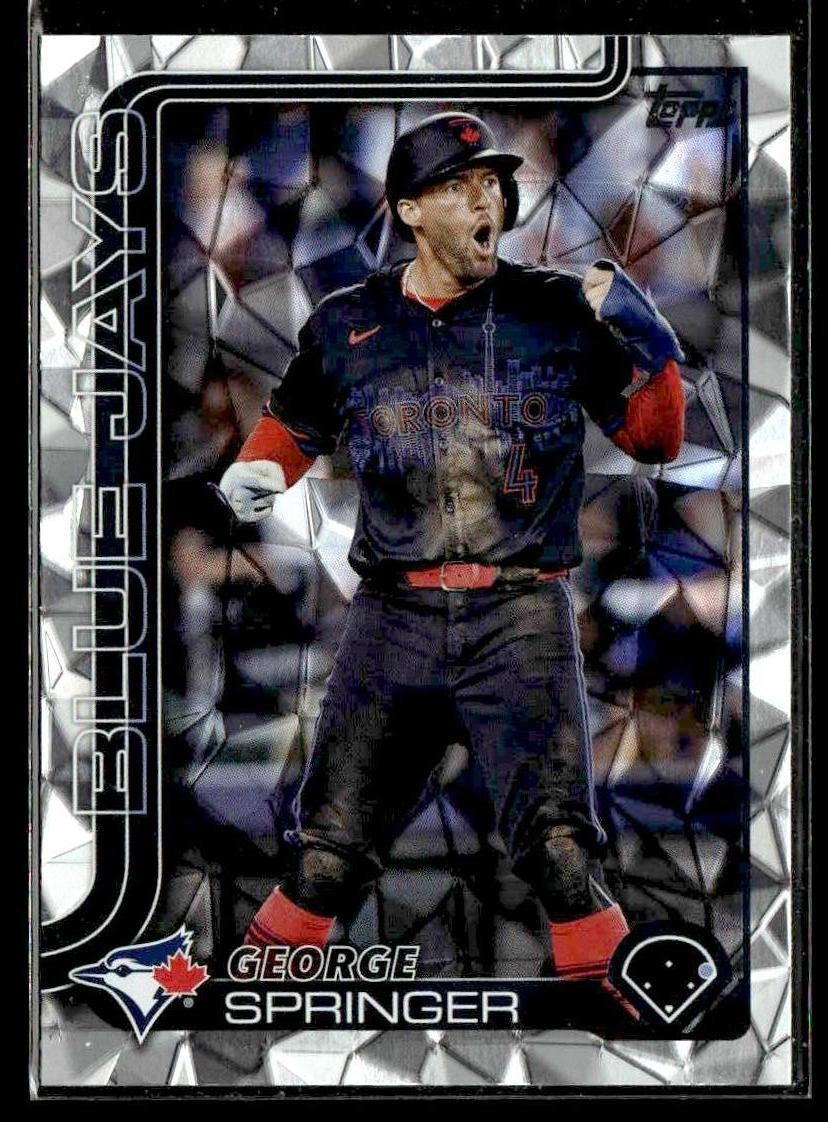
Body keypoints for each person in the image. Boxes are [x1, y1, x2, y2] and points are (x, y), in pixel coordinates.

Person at [219, 111, 685, 989]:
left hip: (521, 612)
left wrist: (651, 341)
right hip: (393, 614)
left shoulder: (555, 308)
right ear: (408, 210)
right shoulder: (349, 320)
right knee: (326, 851)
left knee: (558, 848)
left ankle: (620, 1013)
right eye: (459, 186)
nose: (486, 200)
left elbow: (655, 439)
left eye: (493, 184)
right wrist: (258, 470)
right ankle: (258, 1000)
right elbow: (295, 421)